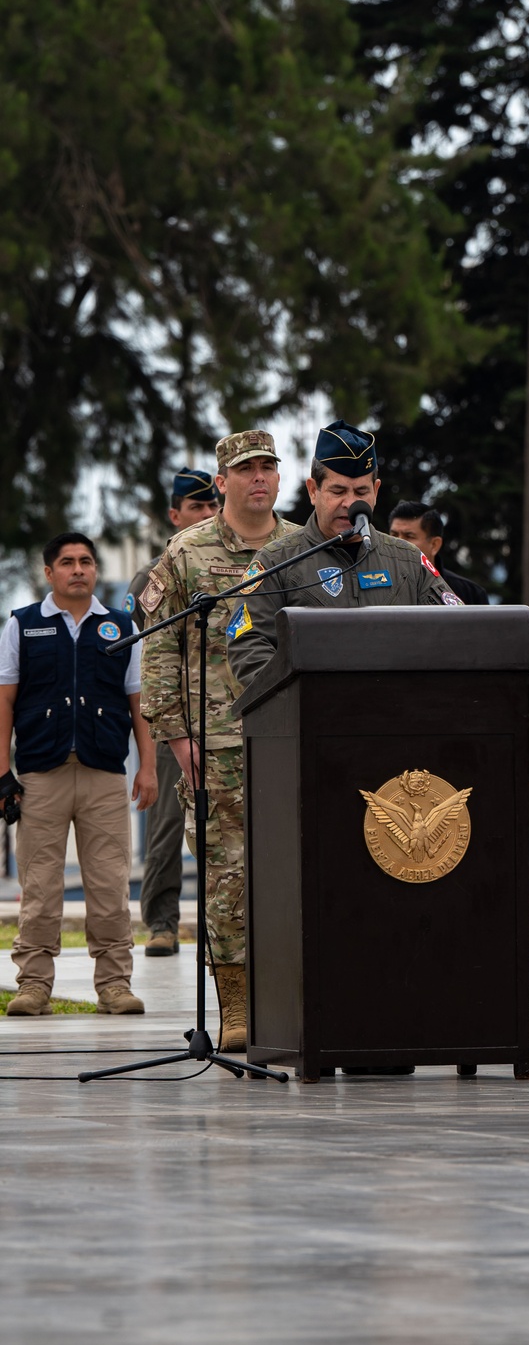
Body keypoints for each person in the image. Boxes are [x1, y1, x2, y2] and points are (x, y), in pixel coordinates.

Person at [140, 431, 301, 1050]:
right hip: (217, 746)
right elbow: (158, 652)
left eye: (268, 467)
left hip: (290, 740)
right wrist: (178, 740)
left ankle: (294, 997)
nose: (259, 478)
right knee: (226, 875)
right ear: (222, 482)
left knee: (296, 871)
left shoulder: (300, 549)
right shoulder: (186, 553)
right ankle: (235, 1008)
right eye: (246, 470)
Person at [0, 533, 157, 1015]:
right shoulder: (22, 626)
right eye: (67, 562)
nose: (78, 570)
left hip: (104, 774)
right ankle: (33, 987)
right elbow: (4, 700)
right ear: (49, 573)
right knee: (41, 886)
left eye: (86, 561)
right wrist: (3, 772)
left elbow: (139, 704)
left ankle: (114, 985)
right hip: (40, 777)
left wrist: (147, 767)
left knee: (110, 885)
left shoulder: (119, 625)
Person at [227, 421, 461, 692]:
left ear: (376, 491)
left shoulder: (407, 560)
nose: (350, 503)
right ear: (314, 490)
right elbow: (248, 645)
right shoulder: (276, 561)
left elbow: (456, 630)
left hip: (399, 714)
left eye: (361, 491)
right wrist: (298, 695)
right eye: (338, 491)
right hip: (312, 719)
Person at [126, 468, 220, 957]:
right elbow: (138, 660)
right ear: (174, 514)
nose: (205, 515)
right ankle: (161, 923)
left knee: (225, 832)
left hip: (224, 715)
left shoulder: (232, 561)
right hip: (170, 721)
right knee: (165, 828)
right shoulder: (153, 575)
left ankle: (222, 929)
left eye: (211, 506)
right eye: (196, 507)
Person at [388, 500, 490, 606]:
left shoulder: (469, 594)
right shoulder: (374, 586)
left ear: (434, 545)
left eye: (409, 536)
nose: (398, 543)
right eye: (393, 535)